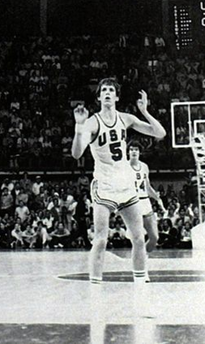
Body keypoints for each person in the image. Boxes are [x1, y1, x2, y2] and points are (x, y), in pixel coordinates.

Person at [71, 78, 166, 293]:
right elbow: (77, 153)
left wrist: (145, 111)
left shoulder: (126, 118)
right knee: (101, 239)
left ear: (116, 97)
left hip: (125, 185)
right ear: (99, 97)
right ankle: (95, 287)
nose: (107, 93)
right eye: (103, 90)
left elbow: (160, 134)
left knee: (139, 237)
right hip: (104, 186)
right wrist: (78, 128)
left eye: (110, 90)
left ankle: (141, 285)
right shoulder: (93, 122)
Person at [128, 140, 165, 283]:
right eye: (131, 149)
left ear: (139, 152)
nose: (134, 151)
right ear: (128, 151)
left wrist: (156, 197)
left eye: (136, 149)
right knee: (138, 240)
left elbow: (147, 186)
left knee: (154, 237)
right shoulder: (124, 167)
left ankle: (143, 256)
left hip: (145, 202)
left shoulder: (144, 167)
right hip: (132, 203)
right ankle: (141, 271)